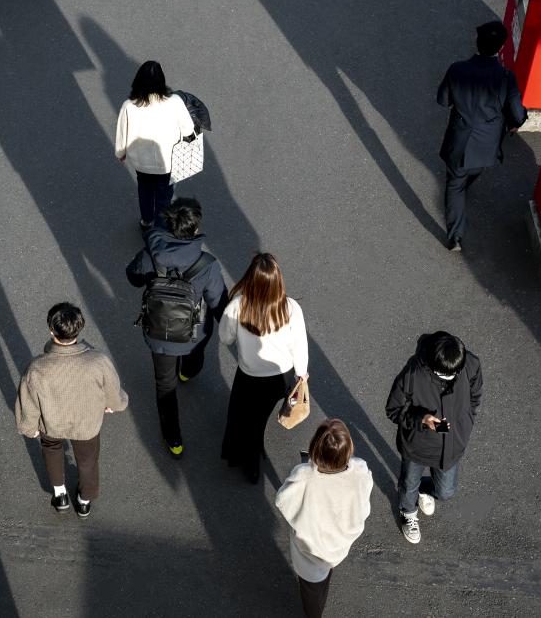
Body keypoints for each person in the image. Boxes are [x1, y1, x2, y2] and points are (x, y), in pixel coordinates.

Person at [126, 197, 227, 457]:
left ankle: (174, 439)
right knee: (196, 352)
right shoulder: (207, 264)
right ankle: (189, 372)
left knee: (164, 386)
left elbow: (133, 277)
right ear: (194, 228)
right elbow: (218, 304)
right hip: (194, 333)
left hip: (160, 334)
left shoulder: (151, 254)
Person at [16, 303, 128, 517]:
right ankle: (84, 501)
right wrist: (115, 405)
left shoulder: (37, 367)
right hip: (86, 424)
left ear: (51, 330)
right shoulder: (98, 361)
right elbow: (113, 392)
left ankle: (60, 495)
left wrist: (30, 427)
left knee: (51, 450)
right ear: (80, 328)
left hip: (51, 423)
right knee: (88, 460)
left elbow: (28, 401)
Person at [436, 20, 528, 252]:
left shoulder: (457, 69)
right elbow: (517, 114)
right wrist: (515, 123)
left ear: (476, 42)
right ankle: (466, 183)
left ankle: (455, 236)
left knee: (454, 184)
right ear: (500, 48)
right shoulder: (506, 78)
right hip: (487, 143)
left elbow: (443, 100)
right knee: (472, 171)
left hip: (459, 138)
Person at [218, 252, 309, 483]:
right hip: (280, 377)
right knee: (259, 417)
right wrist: (302, 373)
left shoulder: (238, 306)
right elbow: (300, 345)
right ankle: (253, 457)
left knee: (240, 415)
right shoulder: (290, 308)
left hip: (248, 376)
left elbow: (225, 338)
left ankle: (241, 456)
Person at [384, 331, 482, 544]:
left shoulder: (469, 364)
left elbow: (475, 394)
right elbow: (393, 410)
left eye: (456, 373)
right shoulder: (412, 374)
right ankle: (408, 513)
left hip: (452, 444)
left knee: (445, 491)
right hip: (418, 446)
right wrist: (422, 418)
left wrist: (467, 420)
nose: (453, 377)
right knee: (409, 484)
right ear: (434, 367)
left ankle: (421, 490)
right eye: (447, 376)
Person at [275, 419, 373, 618]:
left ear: (315, 448)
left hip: (310, 551)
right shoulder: (360, 470)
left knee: (312, 591)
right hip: (339, 545)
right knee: (326, 574)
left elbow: (283, 501)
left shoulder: (304, 476)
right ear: (348, 449)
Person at [114, 61, 198, 231]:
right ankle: (160, 229)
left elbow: (122, 133)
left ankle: (146, 221)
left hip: (140, 162)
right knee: (164, 196)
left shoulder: (129, 106)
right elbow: (188, 128)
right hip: (166, 163)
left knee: (144, 190)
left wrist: (120, 153)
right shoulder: (174, 102)